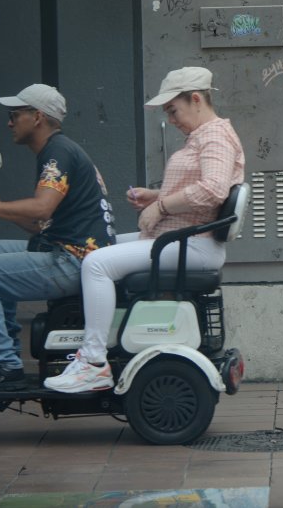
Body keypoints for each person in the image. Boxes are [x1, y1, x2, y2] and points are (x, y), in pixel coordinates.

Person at [44, 66, 245, 393]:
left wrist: (161, 207)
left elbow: (212, 190)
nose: (171, 119)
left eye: (173, 110)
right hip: (182, 239)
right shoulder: (203, 136)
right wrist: (156, 196)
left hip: (193, 243)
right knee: (99, 248)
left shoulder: (215, 137)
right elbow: (200, 189)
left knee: (96, 263)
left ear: (196, 99)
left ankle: (93, 363)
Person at [0, 84, 117, 391]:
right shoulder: (59, 150)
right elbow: (43, 223)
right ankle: (8, 351)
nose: (9, 123)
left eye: (15, 115)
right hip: (71, 252)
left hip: (74, 261)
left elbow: (42, 208)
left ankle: (2, 364)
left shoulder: (57, 153)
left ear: (37, 117)